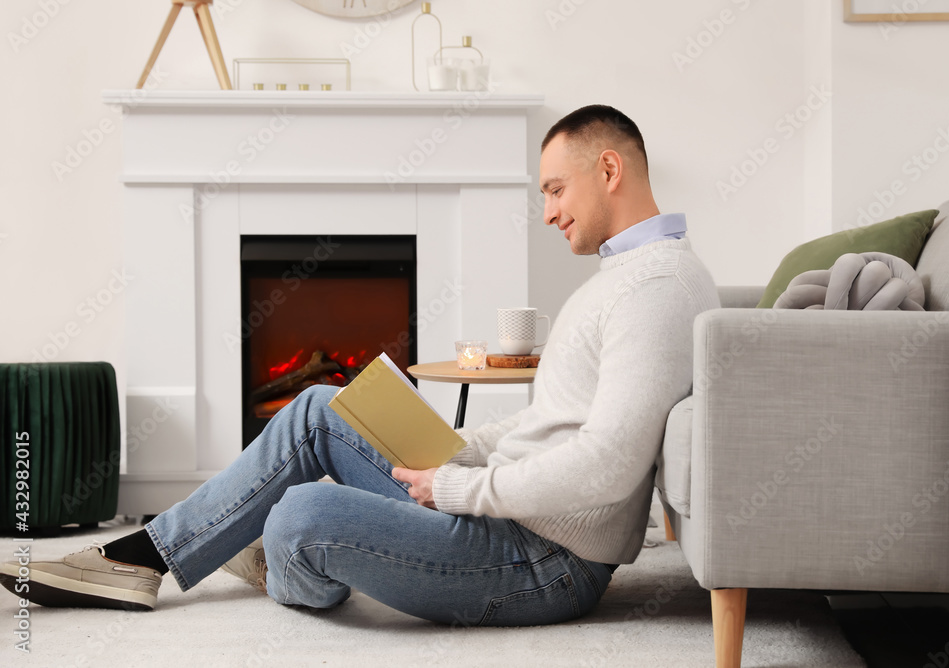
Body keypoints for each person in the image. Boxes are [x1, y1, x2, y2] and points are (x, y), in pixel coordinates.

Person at [1, 105, 719, 626]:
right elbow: (554, 422)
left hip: (545, 559)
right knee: (320, 405)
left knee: (301, 515)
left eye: (555, 191)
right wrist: (458, 452)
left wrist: (462, 488)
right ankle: (145, 557)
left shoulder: (655, 290)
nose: (548, 213)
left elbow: (607, 467)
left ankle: (268, 553)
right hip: (513, 514)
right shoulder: (630, 276)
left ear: (610, 168)